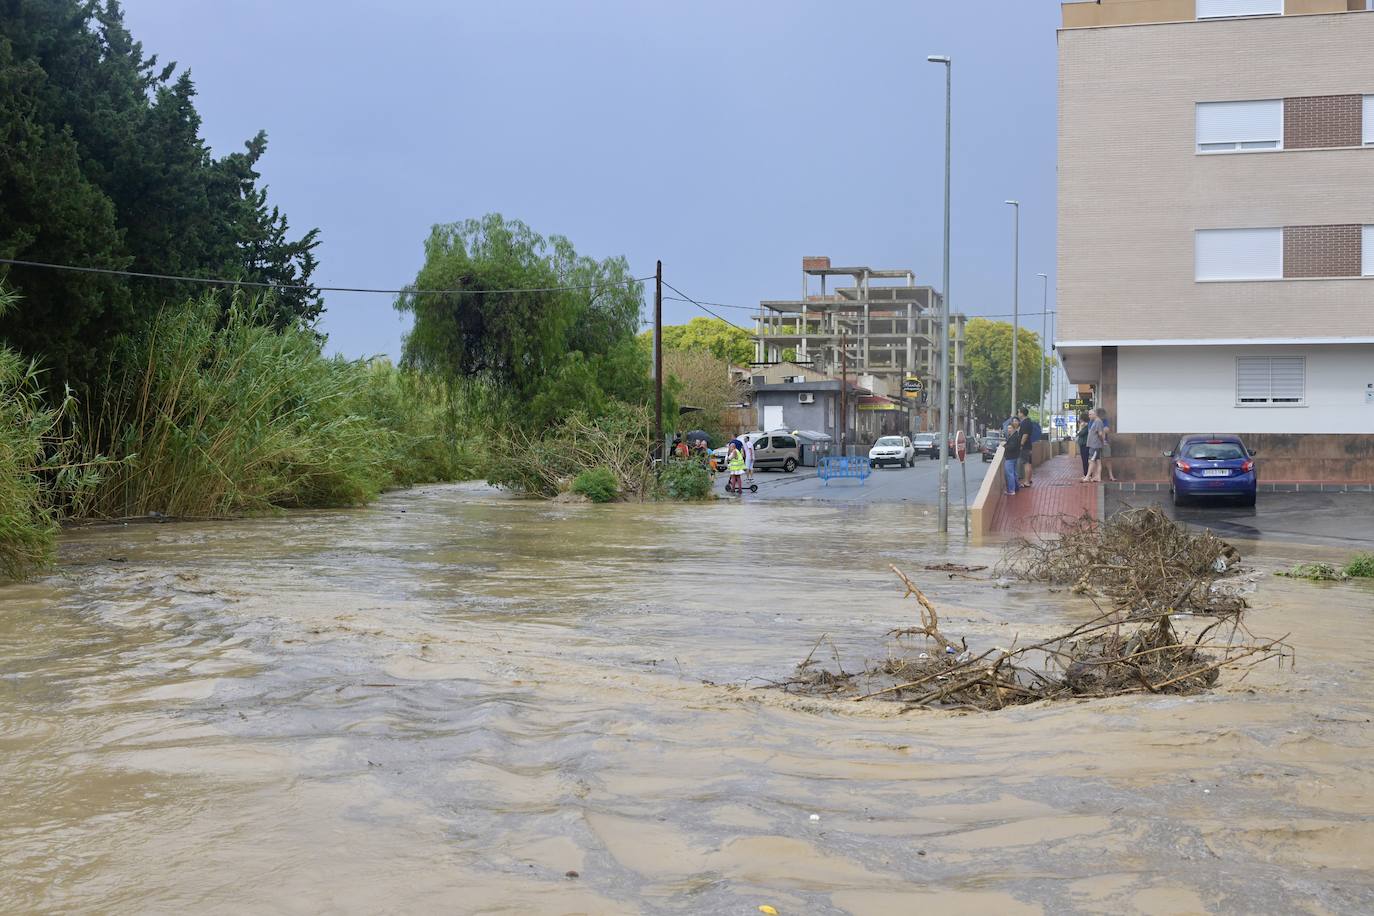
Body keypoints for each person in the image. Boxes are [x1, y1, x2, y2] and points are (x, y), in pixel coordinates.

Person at [1016, 408, 1041, 488]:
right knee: (1028, 463)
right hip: (1028, 446)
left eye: (1019, 412)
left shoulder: (1025, 423)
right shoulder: (1028, 422)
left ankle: (1026, 481)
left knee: (1026, 463)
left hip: (1025, 446)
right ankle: (1028, 480)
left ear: (1022, 414)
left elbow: (1025, 435)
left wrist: (1021, 444)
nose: (1018, 414)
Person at [1084, 408, 1105, 483]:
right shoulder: (1095, 421)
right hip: (1094, 445)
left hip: (1095, 445)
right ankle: (1098, 477)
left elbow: (1100, 433)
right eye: (1089, 414)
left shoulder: (1098, 422)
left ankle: (1087, 477)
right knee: (1098, 461)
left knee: (1091, 461)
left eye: (1090, 414)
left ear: (1095, 414)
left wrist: (1102, 442)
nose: (1089, 416)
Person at [1097, 409, 1119, 482]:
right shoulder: (1094, 421)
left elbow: (1107, 429)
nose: (1103, 417)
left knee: (1108, 459)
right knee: (1096, 460)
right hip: (1096, 443)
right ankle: (1097, 476)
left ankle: (1111, 476)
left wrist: (1101, 430)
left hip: (1104, 442)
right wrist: (1102, 430)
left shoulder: (1104, 420)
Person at [1002, 417, 1022, 496]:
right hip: (1014, 456)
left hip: (1010, 457)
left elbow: (1012, 447)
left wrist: (1004, 446)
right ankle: (1016, 488)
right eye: (1008, 428)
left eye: (1010, 428)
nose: (1008, 430)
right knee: (1014, 473)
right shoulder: (1015, 435)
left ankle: (1011, 490)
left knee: (1009, 474)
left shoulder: (1014, 437)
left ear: (1014, 428)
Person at [1075, 411, 1091, 479]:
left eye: (1080, 419)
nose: (1080, 421)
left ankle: (1087, 474)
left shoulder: (1087, 427)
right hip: (1082, 445)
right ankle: (1086, 474)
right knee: (1084, 460)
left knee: (1085, 460)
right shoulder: (1085, 426)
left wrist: (1080, 428)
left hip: (1085, 445)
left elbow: (1080, 433)